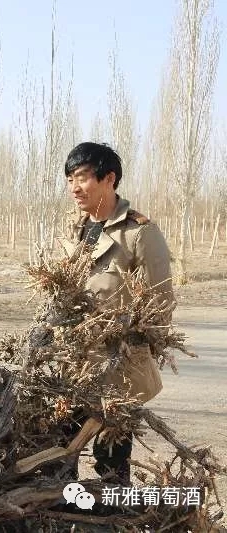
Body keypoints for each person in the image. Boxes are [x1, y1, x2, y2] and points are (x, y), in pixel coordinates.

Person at [62, 141, 175, 485]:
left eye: (82, 178)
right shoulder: (76, 228)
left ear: (109, 178)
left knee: (110, 457)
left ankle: (111, 518)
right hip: (74, 365)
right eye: (69, 180)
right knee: (57, 445)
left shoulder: (139, 232)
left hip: (118, 368)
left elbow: (161, 301)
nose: (74, 188)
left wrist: (134, 351)